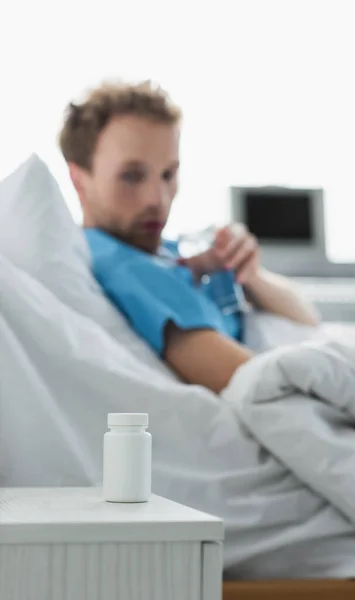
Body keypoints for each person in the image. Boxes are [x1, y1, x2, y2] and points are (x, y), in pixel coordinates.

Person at [59, 81, 319, 393]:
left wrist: (247, 273)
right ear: (79, 179)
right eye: (132, 175)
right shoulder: (120, 263)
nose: (158, 199)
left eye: (168, 174)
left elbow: (308, 317)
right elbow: (259, 387)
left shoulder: (171, 253)